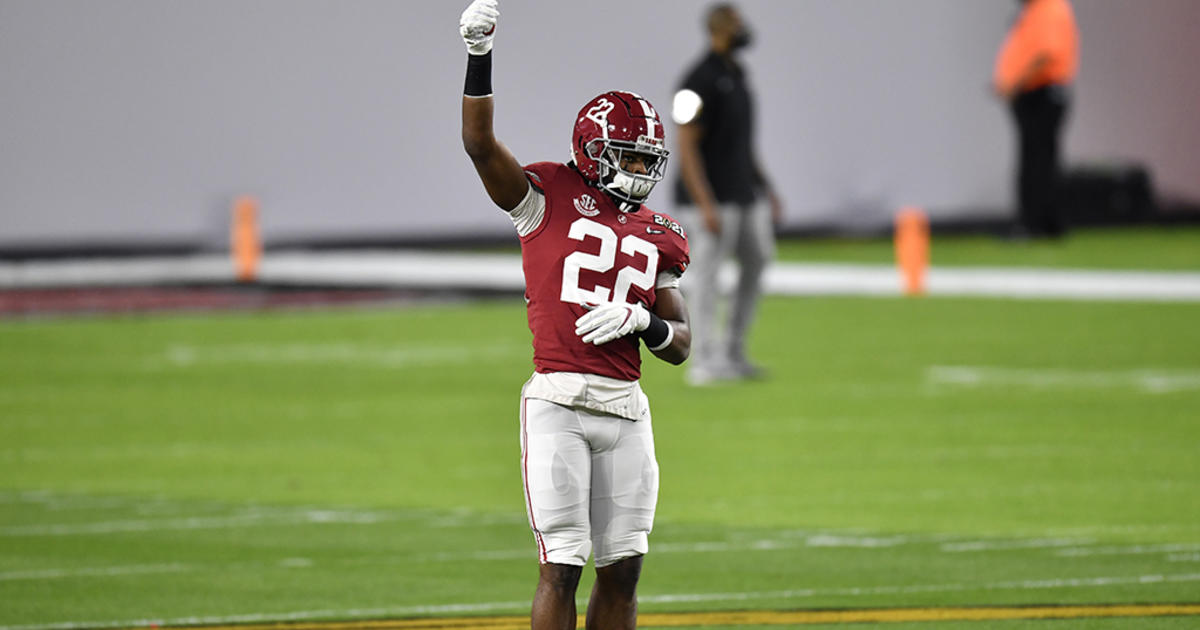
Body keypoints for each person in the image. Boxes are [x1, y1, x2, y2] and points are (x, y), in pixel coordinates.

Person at [458, 1, 692, 629]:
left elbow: (681, 344)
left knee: (625, 569)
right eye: (629, 154)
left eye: (648, 157)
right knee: (561, 563)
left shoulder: (662, 231)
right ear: (592, 149)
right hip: (559, 399)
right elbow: (479, 146)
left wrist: (644, 323)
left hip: (627, 407)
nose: (641, 169)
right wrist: (480, 56)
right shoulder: (546, 195)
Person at [671, 3, 782, 386]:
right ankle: (703, 360)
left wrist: (767, 187)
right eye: (736, 23)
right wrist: (704, 202)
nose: (743, 28)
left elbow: (743, 144)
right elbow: (685, 144)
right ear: (719, 29)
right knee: (707, 275)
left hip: (742, 191)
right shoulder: (696, 80)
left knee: (758, 258)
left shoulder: (738, 74)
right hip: (710, 196)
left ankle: (733, 350)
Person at [993, 0, 1079, 239]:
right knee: (1040, 158)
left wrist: (1015, 83)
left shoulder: (1048, 8)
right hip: (1035, 92)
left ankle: (1033, 223)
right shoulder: (1035, 10)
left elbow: (1045, 54)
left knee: (1036, 160)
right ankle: (1045, 222)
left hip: (1040, 92)